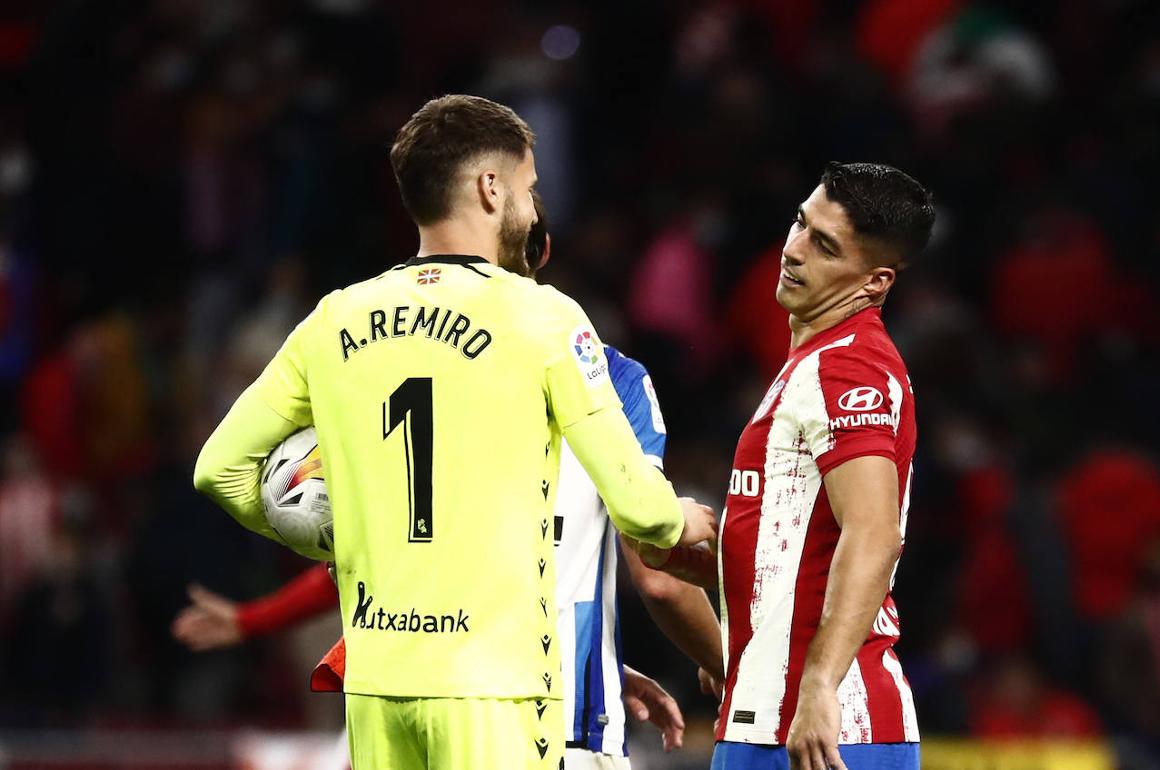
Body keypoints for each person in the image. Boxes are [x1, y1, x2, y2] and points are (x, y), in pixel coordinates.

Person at [192, 94, 717, 770]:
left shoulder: (334, 320)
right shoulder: (544, 318)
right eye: (529, 186)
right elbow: (642, 510)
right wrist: (686, 518)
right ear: (490, 188)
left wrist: (345, 532)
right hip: (493, 688)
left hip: (378, 683)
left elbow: (220, 468)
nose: (531, 205)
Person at [629, 162, 935, 770]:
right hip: (769, 720)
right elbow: (794, 556)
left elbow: (874, 534)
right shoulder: (811, 364)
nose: (793, 251)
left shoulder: (850, 370)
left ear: (874, 282)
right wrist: (694, 558)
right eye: (800, 224)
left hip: (824, 728)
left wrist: (820, 685)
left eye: (824, 246)